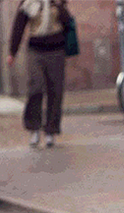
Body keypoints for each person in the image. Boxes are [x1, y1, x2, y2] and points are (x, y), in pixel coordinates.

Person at [7, 0, 71, 148]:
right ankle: (34, 128)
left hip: (56, 50)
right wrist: (12, 52)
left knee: (55, 89)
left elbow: (67, 23)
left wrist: (60, 6)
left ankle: (50, 130)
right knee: (35, 87)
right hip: (35, 50)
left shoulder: (58, 2)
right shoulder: (28, 2)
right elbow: (19, 26)